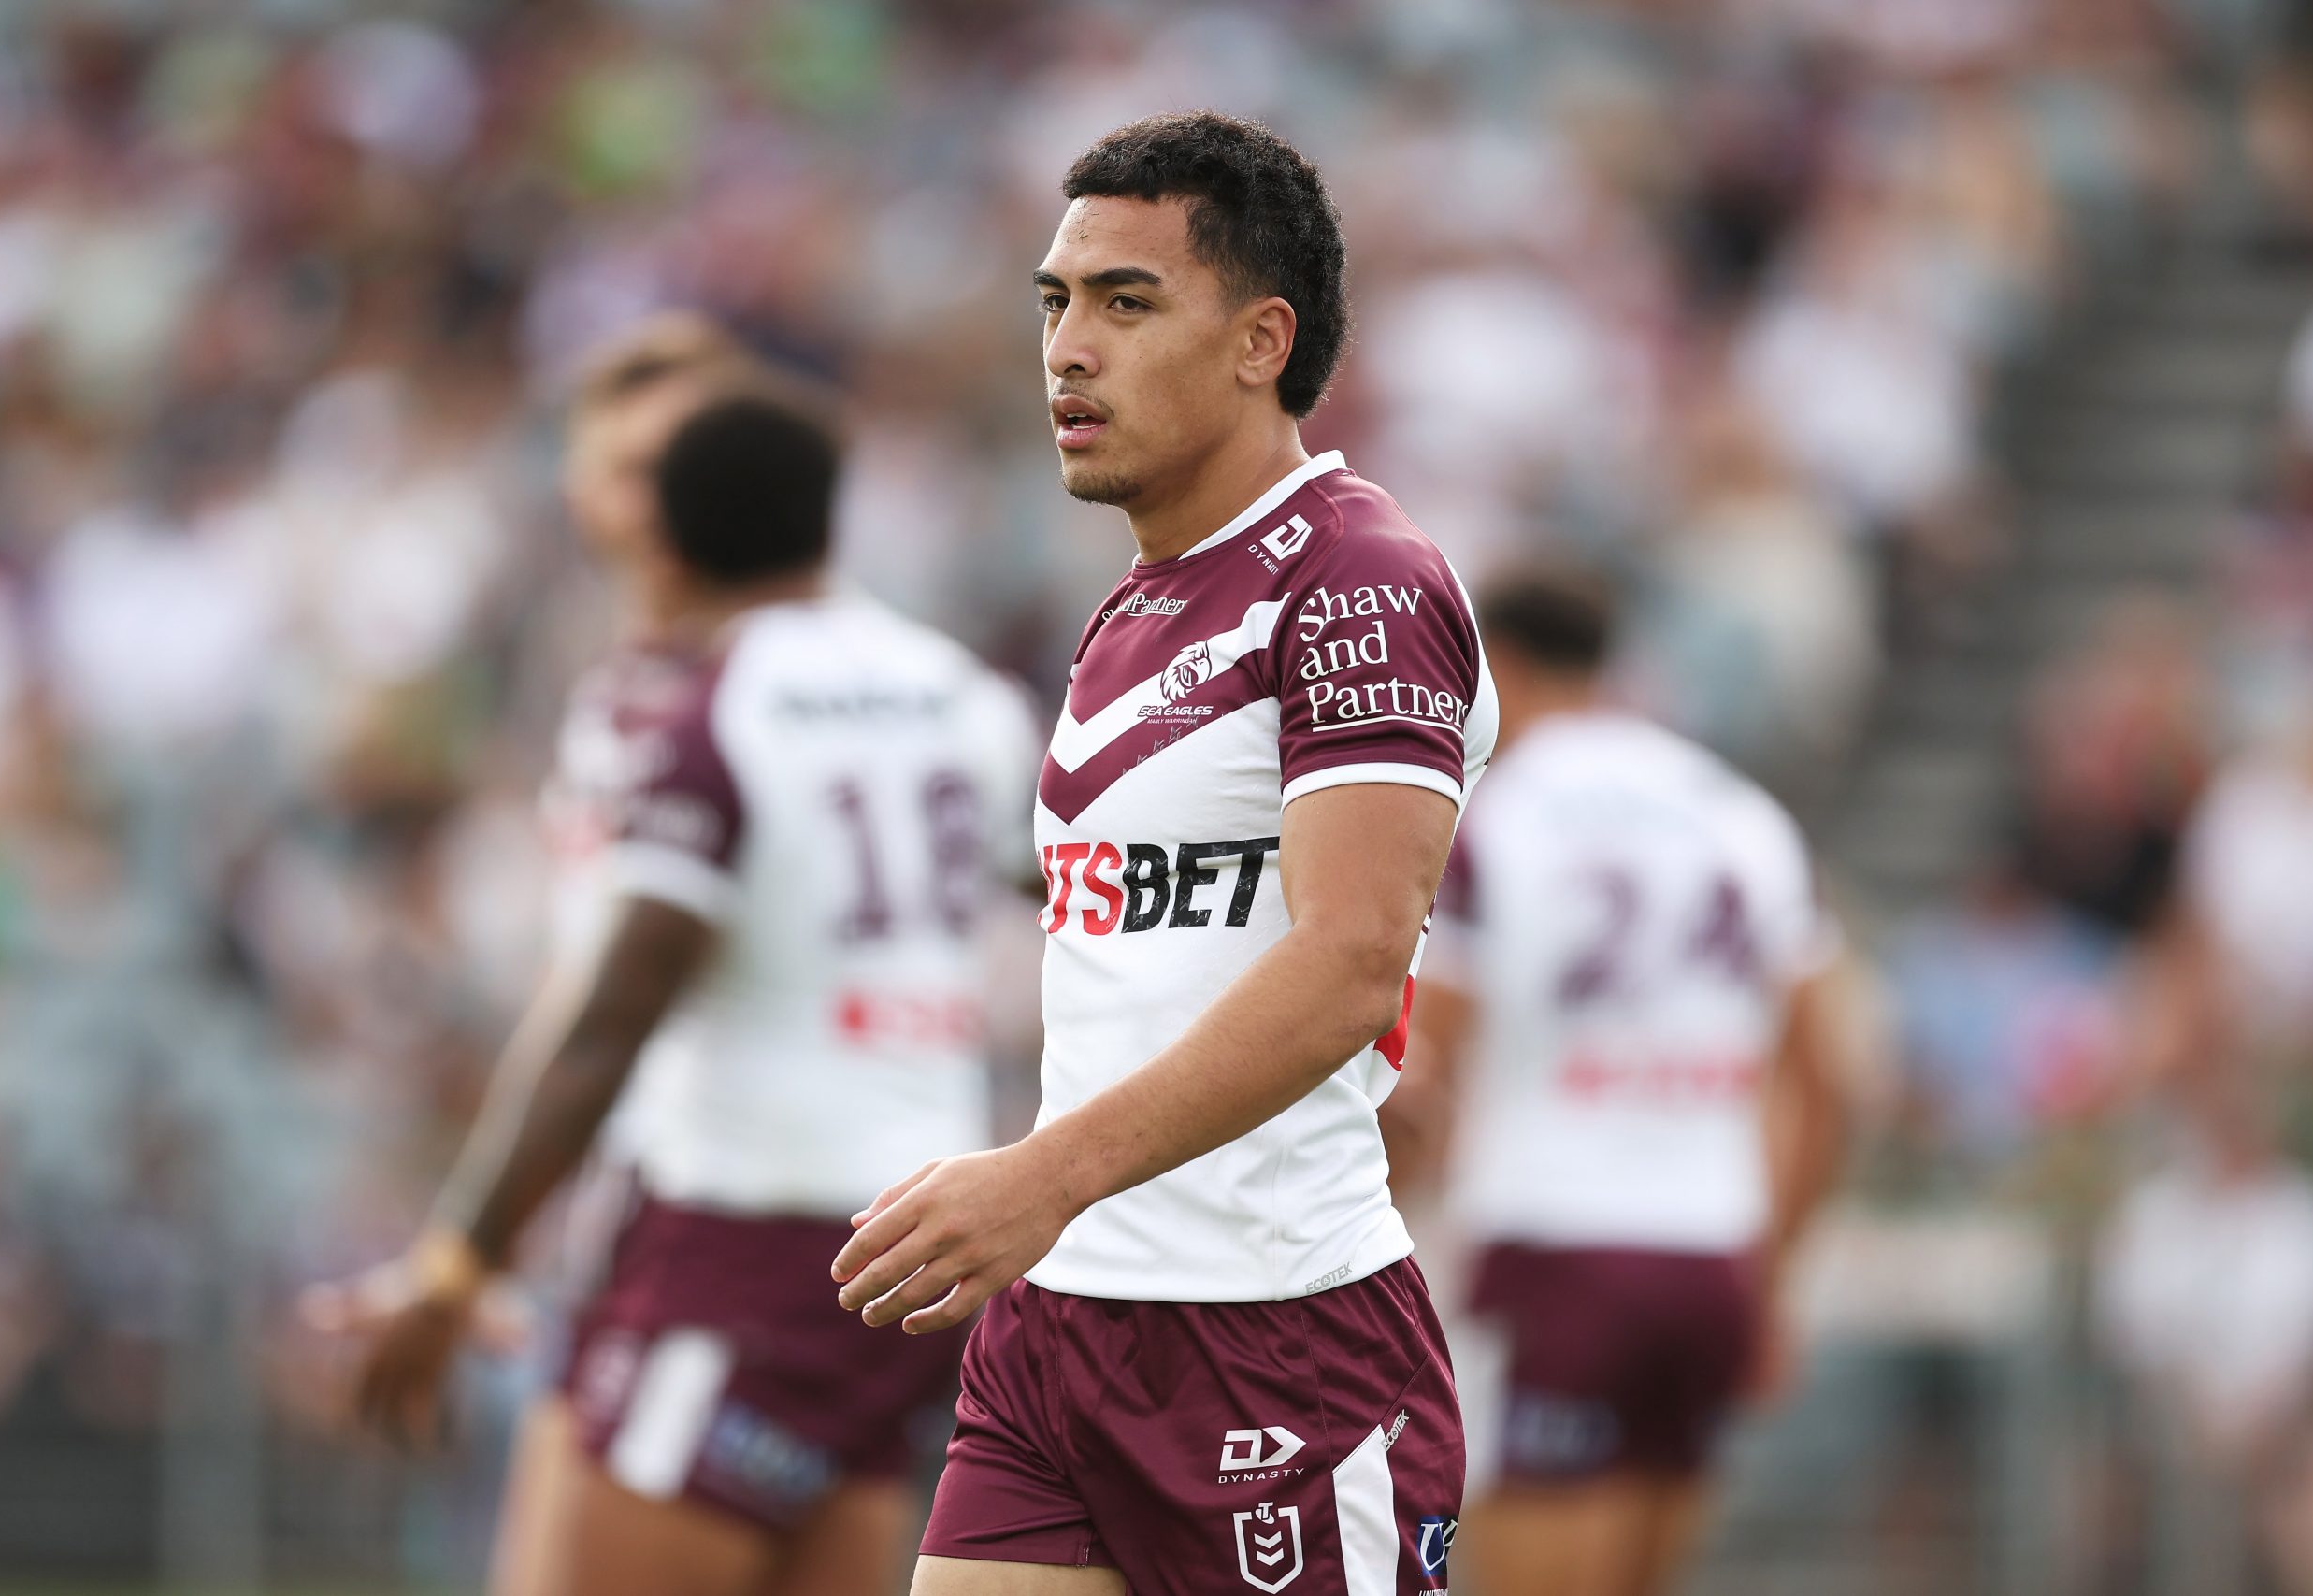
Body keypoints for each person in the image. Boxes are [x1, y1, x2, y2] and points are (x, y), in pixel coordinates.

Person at [827, 111, 1498, 1596]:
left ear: (1264, 339)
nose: (1069, 347)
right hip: (1060, 1327)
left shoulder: (1358, 580)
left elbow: (1343, 964)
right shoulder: (1136, 604)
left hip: (1278, 1338)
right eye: (1055, 302)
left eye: (1126, 303)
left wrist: (1041, 1174)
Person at [307, 348, 1042, 1596]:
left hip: (733, 1236)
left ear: (672, 529)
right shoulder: (966, 694)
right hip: (920, 1233)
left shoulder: (701, 713)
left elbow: (609, 1013)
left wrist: (457, 1258)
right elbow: (1072, 911)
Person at [1383, 573, 1852, 1596]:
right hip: (1710, 1259)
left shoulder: (1496, 817)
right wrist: (1771, 1281)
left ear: (1491, 666)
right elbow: (1831, 1077)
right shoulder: (1742, 816)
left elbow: (1425, 1068)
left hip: (1554, 1251)